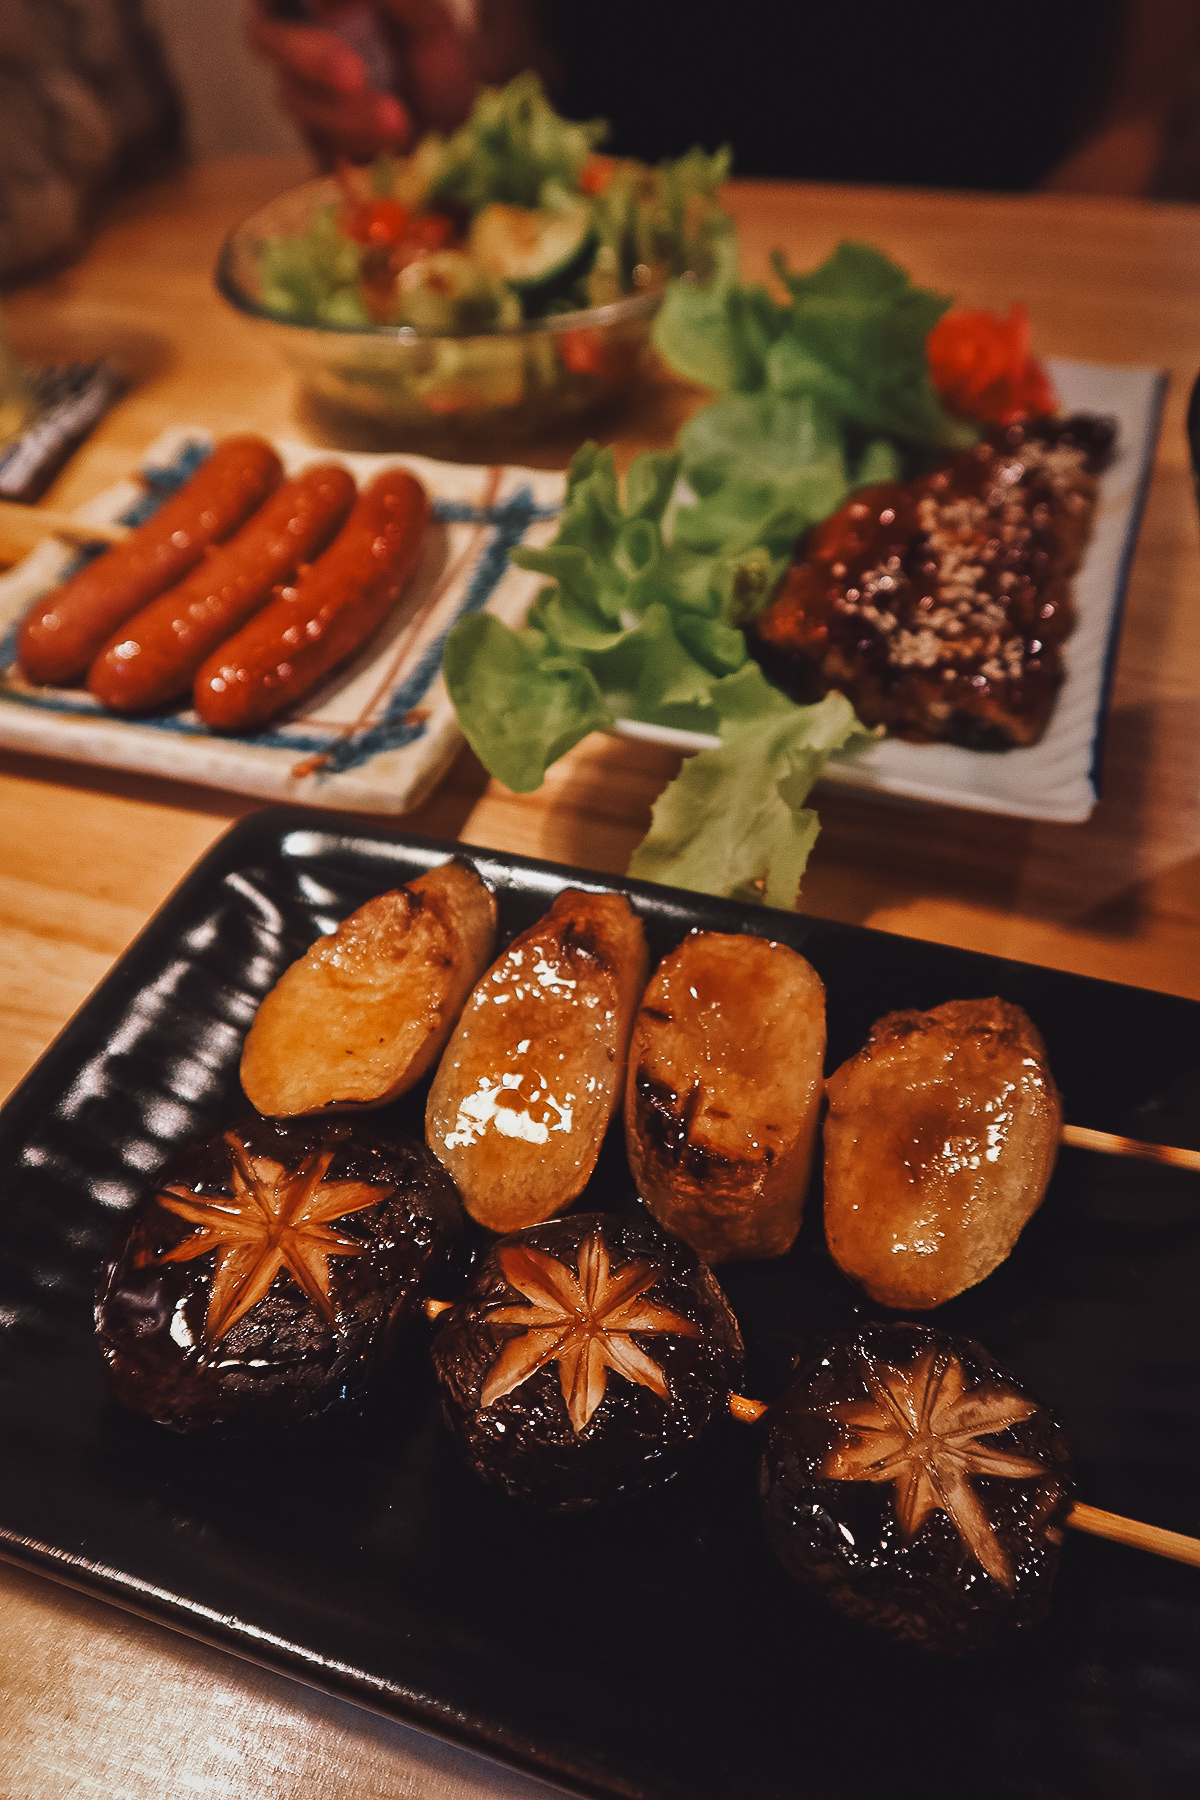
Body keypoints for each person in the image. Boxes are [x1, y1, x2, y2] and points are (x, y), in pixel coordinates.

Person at [245, 0, 1200, 198]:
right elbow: (519, 68)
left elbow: (1133, 116)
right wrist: (438, 136)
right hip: (625, 356)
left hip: (1010, 251)